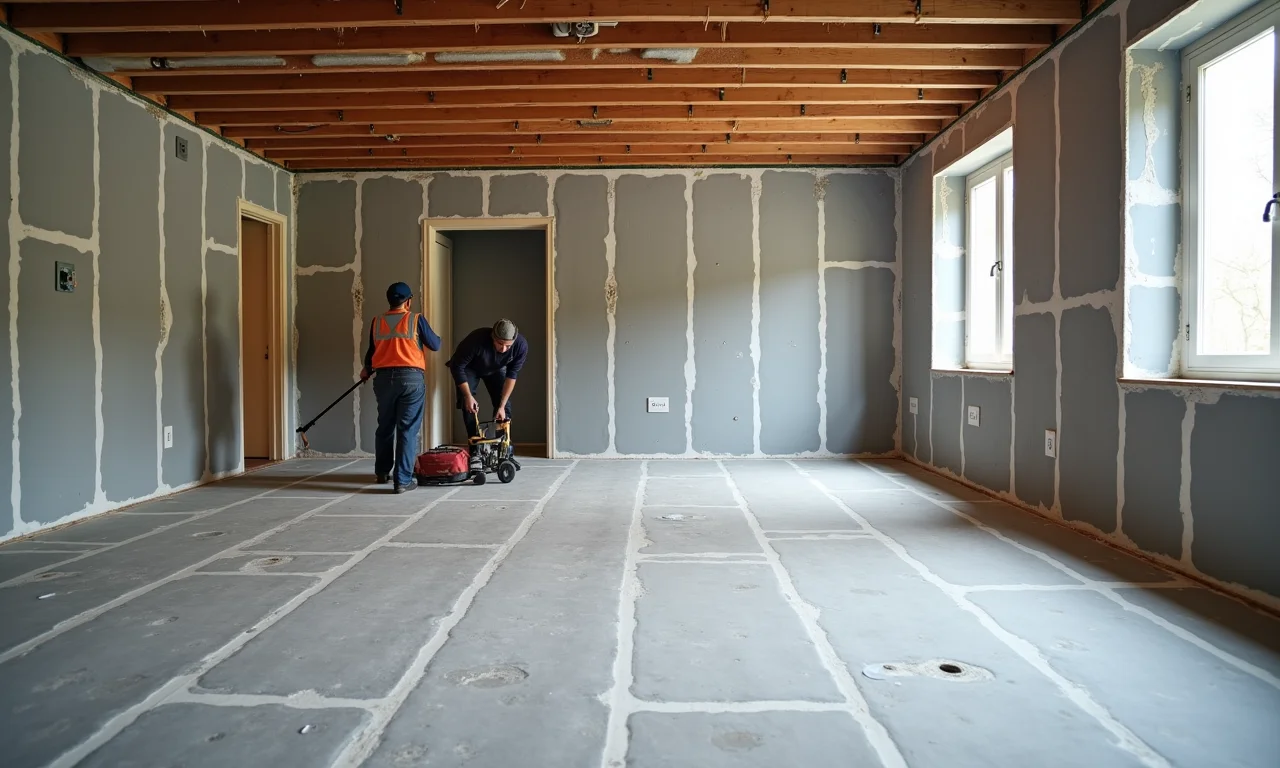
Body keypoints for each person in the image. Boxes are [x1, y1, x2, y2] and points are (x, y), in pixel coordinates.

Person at [361, 281, 441, 493]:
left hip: (383, 379)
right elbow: (435, 344)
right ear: (409, 301)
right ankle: (402, 480)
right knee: (407, 429)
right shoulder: (416, 319)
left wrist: (366, 369)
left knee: (385, 426)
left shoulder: (377, 321)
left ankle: (382, 472)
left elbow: (372, 349)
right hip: (410, 380)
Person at [446, 319, 528, 458]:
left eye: (508, 346)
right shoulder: (475, 340)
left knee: (504, 405)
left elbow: (512, 376)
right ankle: (475, 451)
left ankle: (503, 449)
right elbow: (457, 367)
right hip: (470, 368)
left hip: (496, 368)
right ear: (493, 337)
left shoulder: (521, 345)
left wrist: (501, 406)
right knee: (469, 405)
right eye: (500, 344)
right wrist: (467, 396)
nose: (503, 349)